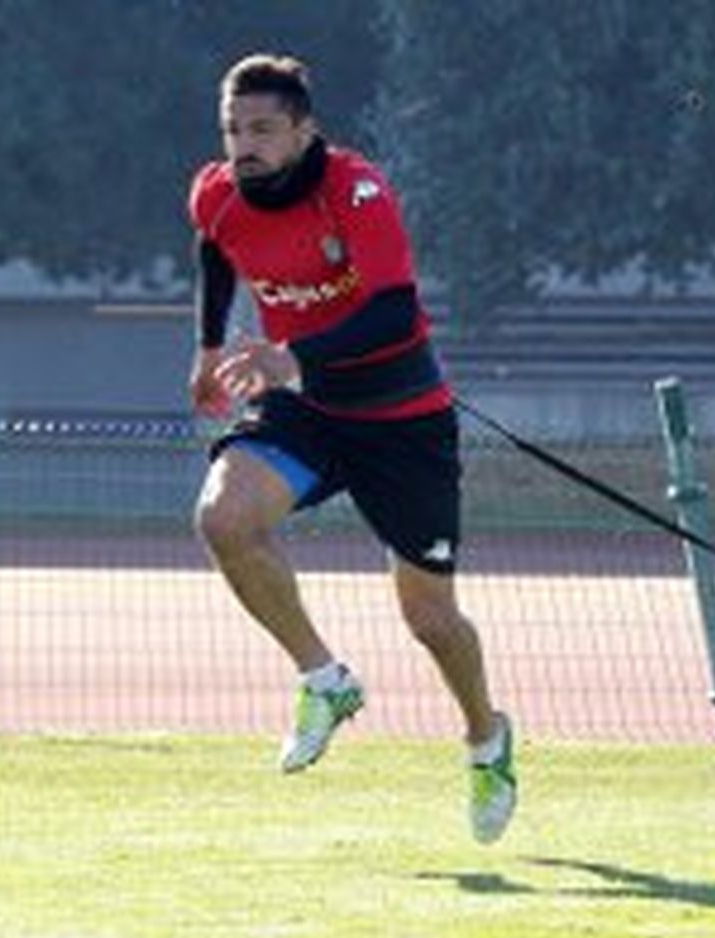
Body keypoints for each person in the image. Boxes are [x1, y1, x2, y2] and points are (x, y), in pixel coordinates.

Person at [185, 53, 516, 843]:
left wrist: (291, 354)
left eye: (263, 129)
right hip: (305, 408)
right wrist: (208, 349)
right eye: (233, 130)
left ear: (305, 129)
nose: (245, 146)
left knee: (430, 618)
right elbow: (215, 248)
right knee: (224, 518)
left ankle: (486, 738)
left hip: (401, 420)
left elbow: (393, 313)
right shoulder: (217, 193)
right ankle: (324, 678)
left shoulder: (356, 189)